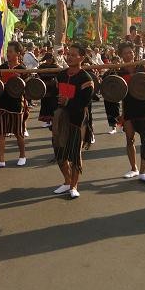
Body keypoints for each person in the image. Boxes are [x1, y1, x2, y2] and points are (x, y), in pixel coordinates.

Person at [51, 44, 94, 199]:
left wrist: (68, 102)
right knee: (59, 153)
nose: (69, 57)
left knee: (75, 154)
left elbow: (84, 103)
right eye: (68, 54)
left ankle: (74, 186)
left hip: (77, 121)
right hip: (61, 119)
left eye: (73, 55)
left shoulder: (86, 79)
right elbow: (53, 95)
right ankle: (67, 181)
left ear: (81, 58)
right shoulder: (61, 75)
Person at [117, 42, 145, 182]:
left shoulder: (142, 67)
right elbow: (118, 93)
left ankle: (143, 171)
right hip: (129, 108)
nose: (129, 54)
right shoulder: (119, 71)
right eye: (126, 53)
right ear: (121, 55)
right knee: (130, 139)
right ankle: (133, 168)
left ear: (134, 53)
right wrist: (122, 113)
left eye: (131, 52)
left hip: (144, 107)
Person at [0, 42, 29, 168]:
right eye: (8, 51)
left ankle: (22, 156)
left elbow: (28, 88)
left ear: (18, 53)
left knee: (18, 132)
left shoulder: (23, 69)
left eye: (11, 51)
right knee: (0, 133)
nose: (8, 53)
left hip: (16, 104)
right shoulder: (3, 66)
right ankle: (1, 159)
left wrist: (19, 81)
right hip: (2, 102)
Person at [38, 53, 60, 128]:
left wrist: (55, 81)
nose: (48, 61)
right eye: (47, 59)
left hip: (53, 89)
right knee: (45, 104)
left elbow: (60, 76)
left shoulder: (56, 67)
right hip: (44, 88)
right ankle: (47, 121)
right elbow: (38, 75)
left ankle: (53, 121)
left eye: (50, 59)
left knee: (53, 105)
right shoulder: (41, 67)